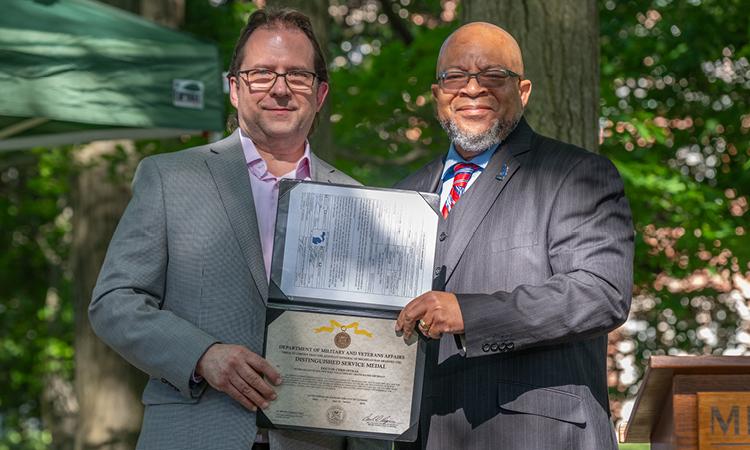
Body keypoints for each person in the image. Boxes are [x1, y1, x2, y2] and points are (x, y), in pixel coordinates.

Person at [90, 9, 386, 450]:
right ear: (234, 88)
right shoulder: (170, 177)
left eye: (298, 76)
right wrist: (203, 356)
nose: (280, 89)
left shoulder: (360, 203)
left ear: (320, 93)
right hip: (195, 434)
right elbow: (114, 302)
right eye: (262, 74)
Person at [394, 22, 634, 450]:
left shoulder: (576, 175)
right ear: (437, 96)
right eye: (455, 76)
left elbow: (600, 292)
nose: (472, 89)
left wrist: (472, 314)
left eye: (492, 75)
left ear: (522, 91)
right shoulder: (401, 195)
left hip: (540, 436)